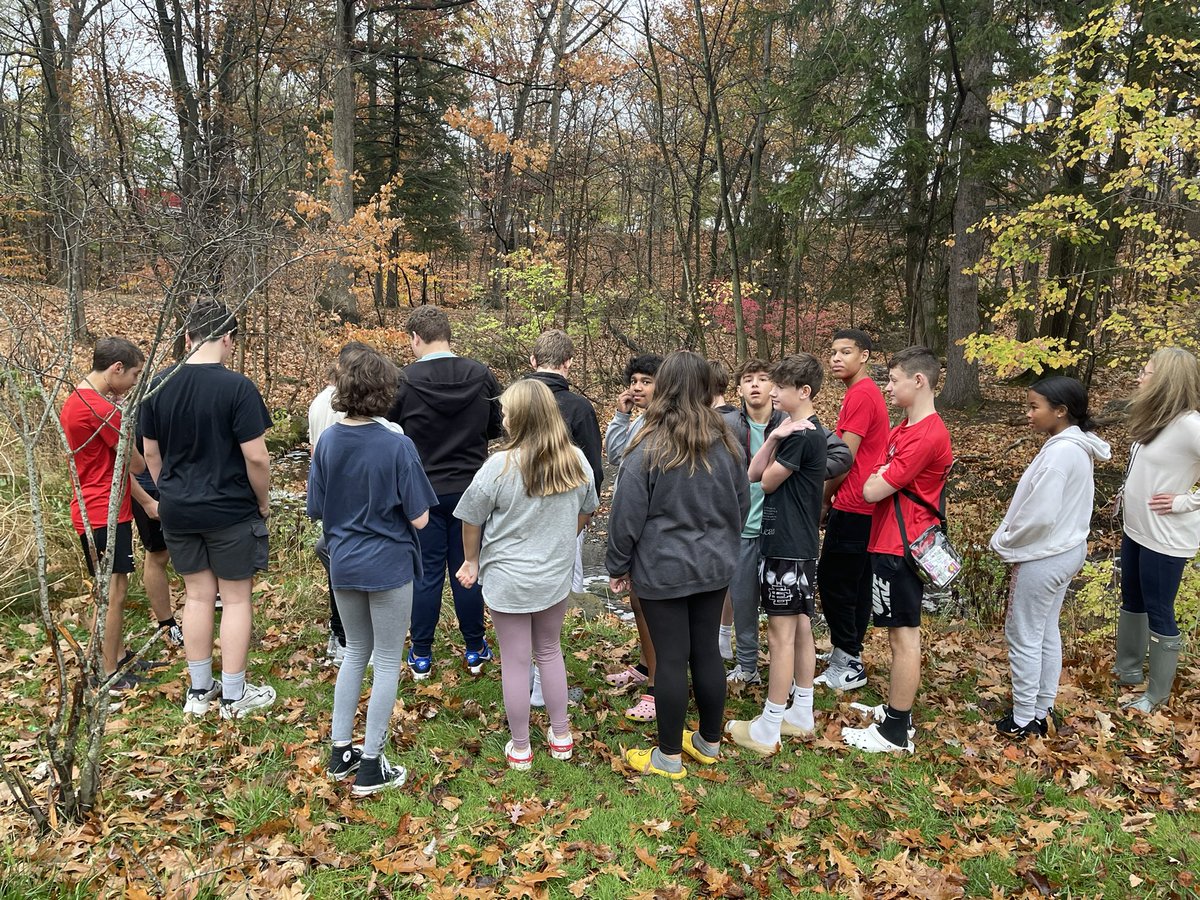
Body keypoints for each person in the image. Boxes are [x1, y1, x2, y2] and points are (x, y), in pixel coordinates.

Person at [606, 351, 749, 779]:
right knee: (705, 650)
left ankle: (668, 756)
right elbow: (741, 504)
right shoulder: (727, 442)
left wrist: (617, 564)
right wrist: (725, 547)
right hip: (713, 565)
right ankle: (708, 741)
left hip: (664, 568)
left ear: (663, 386)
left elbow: (625, 514)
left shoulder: (647, 444)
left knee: (671, 658)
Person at [308, 346, 436, 797]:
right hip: (388, 563)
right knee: (385, 660)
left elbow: (318, 508)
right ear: (385, 393)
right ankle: (371, 763)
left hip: (342, 560)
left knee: (354, 650)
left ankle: (340, 750)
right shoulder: (398, 445)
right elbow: (421, 518)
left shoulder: (327, 441)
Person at [141, 300, 277, 719]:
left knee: (197, 595)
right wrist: (263, 500)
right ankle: (234, 697)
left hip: (179, 509)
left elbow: (149, 451)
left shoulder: (158, 385)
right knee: (235, 600)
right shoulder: (237, 388)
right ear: (227, 339)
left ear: (187, 337)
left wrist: (169, 491)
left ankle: (199, 692)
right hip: (229, 510)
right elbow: (257, 458)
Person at [454, 379, 598, 769]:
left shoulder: (498, 467)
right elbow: (588, 508)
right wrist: (565, 536)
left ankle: (521, 747)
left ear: (517, 419)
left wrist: (471, 560)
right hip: (552, 576)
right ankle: (562, 735)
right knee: (550, 651)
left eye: (505, 411)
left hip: (507, 580)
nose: (501, 416)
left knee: (516, 661)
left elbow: (470, 517)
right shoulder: (576, 461)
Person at [842, 347, 953, 754]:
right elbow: (875, 476)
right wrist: (881, 474)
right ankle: (893, 712)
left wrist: (880, 476)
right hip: (887, 539)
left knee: (904, 636)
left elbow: (872, 488)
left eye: (893, 380)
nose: (887, 387)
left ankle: (895, 731)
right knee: (894, 634)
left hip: (904, 546)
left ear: (918, 381)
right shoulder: (903, 427)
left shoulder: (928, 433)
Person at [386, 306, 503, 680]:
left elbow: (391, 427)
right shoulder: (480, 374)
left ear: (416, 338)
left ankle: (421, 652)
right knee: (469, 570)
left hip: (423, 490)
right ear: (448, 335)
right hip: (472, 488)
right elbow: (496, 426)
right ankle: (474, 648)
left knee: (427, 573)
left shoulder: (404, 380)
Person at [721, 359, 853, 686]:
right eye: (747, 379)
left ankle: (790, 686)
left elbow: (842, 454)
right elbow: (743, 473)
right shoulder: (726, 424)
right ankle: (748, 665)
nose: (756, 385)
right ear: (738, 389)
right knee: (743, 601)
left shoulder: (795, 424)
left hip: (784, 533)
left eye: (764, 380)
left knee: (788, 616)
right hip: (741, 528)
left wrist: (803, 473)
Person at [990, 377, 1110, 737]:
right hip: (1066, 550)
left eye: (1034, 407)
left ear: (1061, 411)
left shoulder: (1061, 452)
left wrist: (1006, 541)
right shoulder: (1073, 446)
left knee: (1024, 632)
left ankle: (1026, 718)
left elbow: (1040, 515)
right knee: (1044, 630)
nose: (1028, 414)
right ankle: (1041, 706)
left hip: (1045, 555)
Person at [725, 354, 828, 756]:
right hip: (789, 543)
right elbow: (751, 472)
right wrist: (772, 437)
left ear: (803, 392)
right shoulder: (790, 430)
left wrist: (782, 438)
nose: (772, 391)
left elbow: (766, 483)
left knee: (781, 633)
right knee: (800, 627)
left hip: (788, 546)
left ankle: (769, 725)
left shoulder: (805, 435)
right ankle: (802, 711)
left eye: (780, 387)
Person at [1114, 348, 1200, 712]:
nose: (1139, 377)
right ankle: (1128, 671)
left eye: (1146, 372)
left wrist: (1185, 502)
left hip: (1166, 538)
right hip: (1136, 530)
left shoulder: (1189, 425)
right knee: (1132, 600)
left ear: (1165, 380)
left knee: (1159, 609)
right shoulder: (1157, 418)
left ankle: (1156, 695)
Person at [60, 338, 147, 695]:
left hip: (92, 506)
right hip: (102, 514)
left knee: (109, 590)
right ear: (116, 369)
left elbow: (110, 462)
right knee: (113, 593)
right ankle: (107, 671)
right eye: (134, 375)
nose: (134, 383)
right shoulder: (100, 409)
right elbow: (137, 463)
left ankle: (119, 654)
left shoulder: (74, 399)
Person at [524, 329, 603, 707]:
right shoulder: (580, 408)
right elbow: (594, 475)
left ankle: (526, 679)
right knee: (553, 599)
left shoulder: (513, 401)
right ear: (569, 363)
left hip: (515, 519)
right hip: (565, 518)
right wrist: (582, 518)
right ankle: (541, 685)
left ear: (533, 362)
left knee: (521, 599)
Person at [815, 329, 890, 692]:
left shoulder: (861, 394)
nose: (836, 358)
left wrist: (824, 499)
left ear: (865, 356)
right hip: (866, 502)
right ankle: (848, 656)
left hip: (855, 502)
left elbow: (843, 458)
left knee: (834, 581)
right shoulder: (863, 393)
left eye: (846, 351)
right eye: (832, 352)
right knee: (856, 584)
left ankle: (847, 659)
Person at [603, 353, 664, 723]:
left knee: (651, 606)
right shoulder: (639, 417)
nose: (638, 387)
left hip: (651, 526)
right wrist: (621, 415)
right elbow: (615, 455)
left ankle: (658, 685)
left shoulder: (664, 423)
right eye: (635, 380)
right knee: (638, 603)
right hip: (634, 520)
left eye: (647, 381)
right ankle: (645, 665)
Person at [308, 341, 373, 666]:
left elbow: (314, 455)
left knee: (335, 560)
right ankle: (352, 638)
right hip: (357, 502)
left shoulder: (318, 402)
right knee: (354, 570)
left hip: (331, 502)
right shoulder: (347, 407)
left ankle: (340, 635)